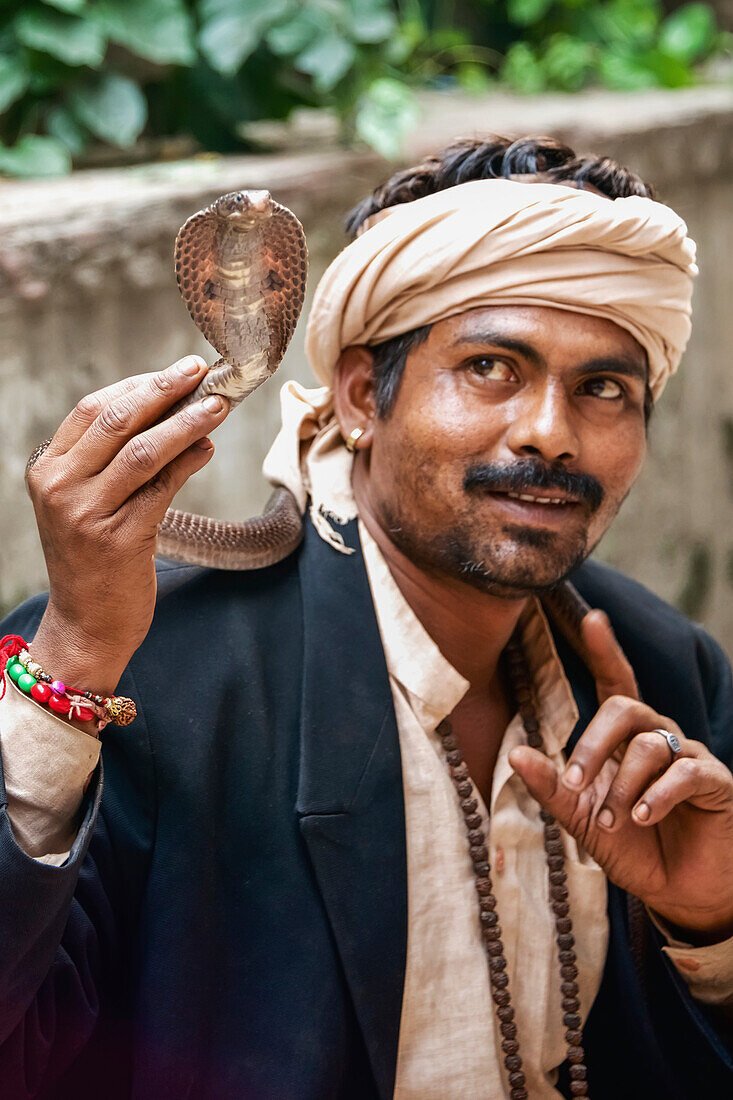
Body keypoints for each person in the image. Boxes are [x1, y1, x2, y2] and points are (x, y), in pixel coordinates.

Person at [0, 136, 731, 1100]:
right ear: (358, 396)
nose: (550, 432)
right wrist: (79, 657)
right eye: (490, 367)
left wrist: (710, 936)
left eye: (604, 388)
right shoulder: (143, 673)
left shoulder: (666, 674)